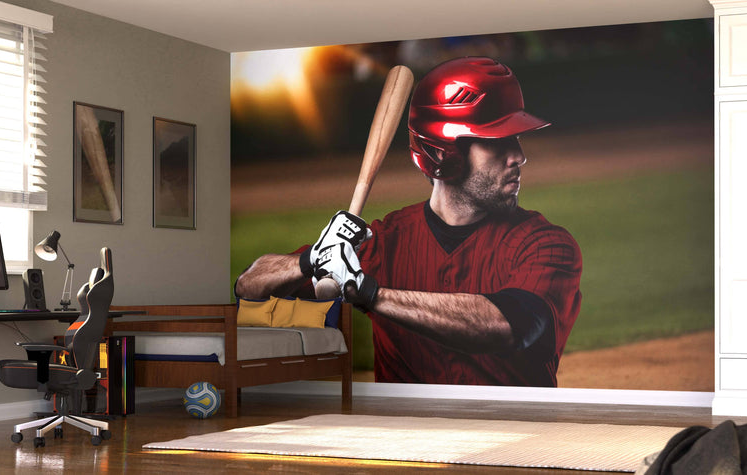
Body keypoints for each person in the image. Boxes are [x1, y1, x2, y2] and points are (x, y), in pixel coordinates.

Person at [235, 56, 582, 387]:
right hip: (405, 422)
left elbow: (510, 326)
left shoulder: (546, 244)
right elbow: (247, 288)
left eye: (516, 139)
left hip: (508, 424)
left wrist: (369, 293)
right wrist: (312, 259)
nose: (519, 156)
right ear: (444, 153)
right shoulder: (385, 242)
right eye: (498, 142)